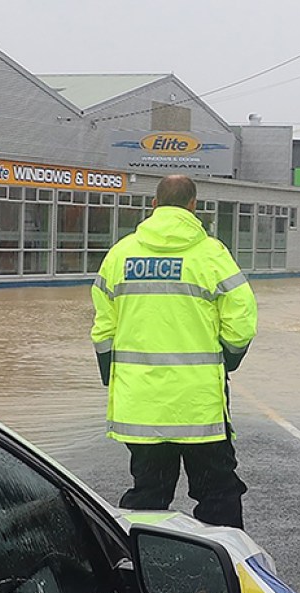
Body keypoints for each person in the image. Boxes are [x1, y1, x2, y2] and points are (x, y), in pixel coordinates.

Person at [90, 174, 257, 529]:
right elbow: (242, 320)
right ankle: (227, 571)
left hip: (143, 406)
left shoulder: (120, 255)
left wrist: (111, 374)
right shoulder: (212, 255)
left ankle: (139, 570)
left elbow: (103, 329)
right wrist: (228, 359)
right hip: (200, 408)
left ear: (154, 205)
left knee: (147, 497)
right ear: (193, 206)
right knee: (218, 496)